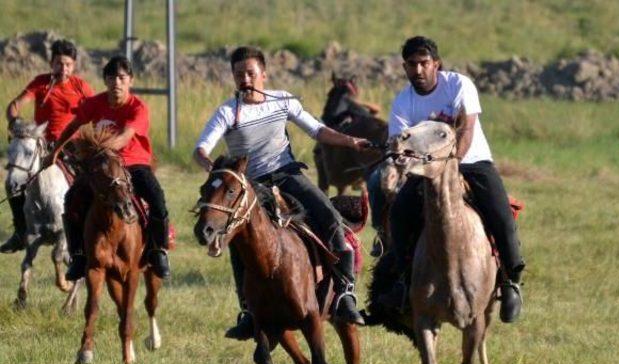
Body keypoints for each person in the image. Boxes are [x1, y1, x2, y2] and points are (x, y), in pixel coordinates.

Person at [193, 46, 371, 339]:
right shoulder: (228, 111)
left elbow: (317, 130)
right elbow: (202, 148)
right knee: (238, 239)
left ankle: (345, 294)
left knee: (329, 216)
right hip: (251, 186)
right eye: (239, 75)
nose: (245, 79)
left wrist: (351, 142)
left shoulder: (282, 100)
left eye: (251, 73)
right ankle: (248, 312)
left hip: (288, 174)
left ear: (264, 74)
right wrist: (211, 166)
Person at [380, 36, 525, 323]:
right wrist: (398, 158)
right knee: (398, 215)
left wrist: (453, 163)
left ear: (436, 64)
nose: (418, 70)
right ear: (404, 67)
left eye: (424, 63)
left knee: (501, 216)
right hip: (426, 169)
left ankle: (511, 281)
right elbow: (399, 141)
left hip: (471, 163)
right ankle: (403, 280)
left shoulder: (459, 85)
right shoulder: (403, 101)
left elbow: (467, 129)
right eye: (411, 64)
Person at [44, 55, 170, 280]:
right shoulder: (95, 103)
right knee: (72, 199)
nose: (117, 83)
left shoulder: (138, 108)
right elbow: (73, 126)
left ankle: (158, 251)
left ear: (130, 80)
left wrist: (98, 147)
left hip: (133, 163)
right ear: (105, 81)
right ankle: (79, 255)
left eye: (122, 78)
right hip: (101, 168)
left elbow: (124, 138)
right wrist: (54, 152)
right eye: (112, 78)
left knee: (157, 198)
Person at [2, 39, 93, 253]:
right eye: (59, 63)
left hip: (71, 145)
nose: (64, 69)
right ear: (51, 63)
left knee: (90, 180)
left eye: (68, 64)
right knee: (12, 182)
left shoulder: (81, 86)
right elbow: (14, 105)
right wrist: (15, 122)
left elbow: (96, 110)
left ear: (74, 66)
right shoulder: (40, 83)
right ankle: (20, 232)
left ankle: (86, 230)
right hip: (41, 144)